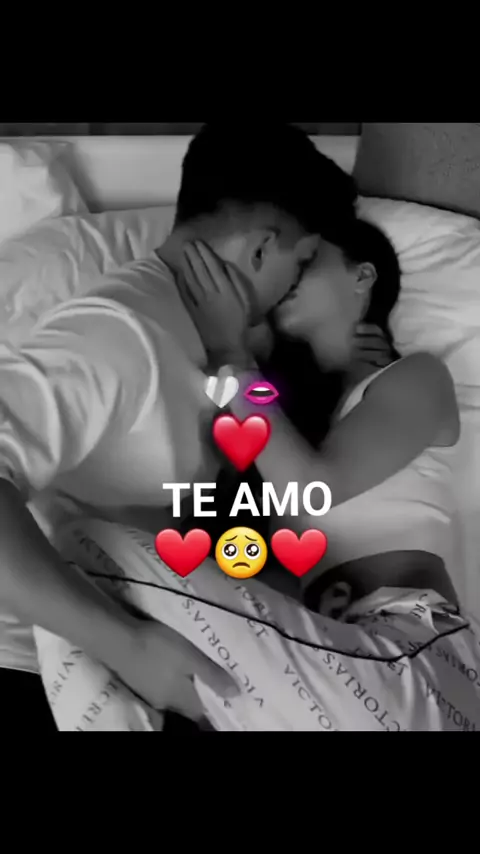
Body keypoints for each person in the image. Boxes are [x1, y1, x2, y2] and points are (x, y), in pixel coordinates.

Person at [0, 122, 358, 729]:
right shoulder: (119, 335)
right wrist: (126, 647)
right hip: (43, 666)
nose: (295, 290)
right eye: (298, 267)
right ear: (260, 251)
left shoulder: (214, 341)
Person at [148, 223, 480, 730]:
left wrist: (231, 354)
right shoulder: (289, 433)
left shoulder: (417, 376)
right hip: (321, 655)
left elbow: (309, 489)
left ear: (362, 276)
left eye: (308, 263)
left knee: (78, 541)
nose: (289, 275)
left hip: (411, 648)